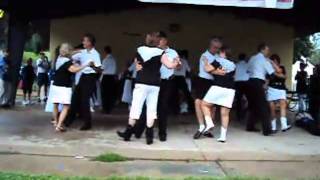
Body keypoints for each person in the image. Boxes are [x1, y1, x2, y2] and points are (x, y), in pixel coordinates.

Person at [117, 32, 180, 145]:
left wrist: (138, 65)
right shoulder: (161, 53)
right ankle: (149, 137)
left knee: (136, 107)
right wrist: (176, 62)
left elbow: (137, 64)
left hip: (141, 82)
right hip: (155, 84)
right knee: (152, 110)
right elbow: (170, 66)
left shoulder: (140, 49)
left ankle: (128, 132)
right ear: (157, 42)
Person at [49, 43, 91, 132]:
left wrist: (79, 51)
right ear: (68, 51)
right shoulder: (67, 62)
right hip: (64, 86)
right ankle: (59, 125)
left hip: (56, 85)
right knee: (66, 106)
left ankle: (56, 122)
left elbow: (70, 54)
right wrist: (85, 65)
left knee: (55, 105)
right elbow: (74, 70)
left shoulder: (58, 58)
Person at [65, 33, 102, 130]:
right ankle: (69, 120)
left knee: (85, 101)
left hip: (90, 77)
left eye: (85, 40)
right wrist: (73, 53)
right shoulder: (82, 52)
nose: (83, 42)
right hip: (82, 76)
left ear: (90, 42)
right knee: (75, 98)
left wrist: (92, 66)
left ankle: (87, 123)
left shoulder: (95, 54)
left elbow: (99, 69)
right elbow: (71, 57)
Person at [201, 46, 236, 142]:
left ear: (223, 53)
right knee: (225, 114)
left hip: (218, 87)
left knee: (204, 104)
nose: (218, 54)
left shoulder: (219, 60)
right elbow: (226, 74)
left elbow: (207, 69)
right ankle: (223, 136)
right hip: (230, 90)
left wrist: (205, 61)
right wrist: (217, 72)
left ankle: (209, 123)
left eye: (220, 52)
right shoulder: (233, 64)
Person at [193, 37, 222, 139]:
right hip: (203, 81)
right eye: (215, 47)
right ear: (210, 46)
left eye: (218, 48)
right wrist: (215, 68)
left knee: (212, 107)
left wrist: (214, 68)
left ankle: (208, 129)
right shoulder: (204, 55)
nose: (216, 49)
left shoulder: (218, 57)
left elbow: (218, 70)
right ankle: (201, 126)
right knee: (198, 102)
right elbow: (208, 70)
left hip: (213, 82)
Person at [245, 43, 275, 136]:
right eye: (267, 50)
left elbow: (248, 70)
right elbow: (272, 74)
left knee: (253, 106)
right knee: (264, 107)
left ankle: (250, 126)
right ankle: (267, 130)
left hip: (250, 82)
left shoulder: (252, 58)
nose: (268, 51)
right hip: (258, 83)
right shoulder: (264, 60)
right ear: (262, 50)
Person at [266, 54, 291, 133]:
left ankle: (284, 125)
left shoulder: (281, 68)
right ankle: (273, 127)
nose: (274, 62)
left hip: (281, 89)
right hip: (271, 89)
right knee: (272, 108)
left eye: (275, 61)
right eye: (273, 61)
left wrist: (274, 73)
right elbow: (267, 81)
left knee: (283, 106)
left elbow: (284, 76)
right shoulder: (268, 70)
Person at [173, 50, 194, 114]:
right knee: (187, 94)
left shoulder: (173, 60)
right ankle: (192, 108)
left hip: (174, 78)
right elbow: (189, 70)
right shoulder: (184, 61)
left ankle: (175, 109)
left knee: (174, 94)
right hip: (181, 78)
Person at [101, 45, 118, 114]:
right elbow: (115, 69)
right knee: (110, 93)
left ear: (105, 52)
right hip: (112, 77)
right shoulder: (114, 59)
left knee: (104, 94)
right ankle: (110, 108)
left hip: (106, 77)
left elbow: (102, 69)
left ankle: (105, 108)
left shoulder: (105, 60)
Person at [234, 53, 249, 121]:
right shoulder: (248, 65)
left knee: (238, 100)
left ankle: (238, 115)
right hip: (246, 83)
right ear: (245, 58)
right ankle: (244, 111)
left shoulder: (236, 65)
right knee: (248, 99)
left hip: (237, 83)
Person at [309, 64, 320, 129]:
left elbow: (312, 88)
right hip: (315, 97)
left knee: (316, 112)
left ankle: (317, 125)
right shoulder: (313, 77)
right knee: (317, 111)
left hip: (315, 97)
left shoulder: (313, 77)